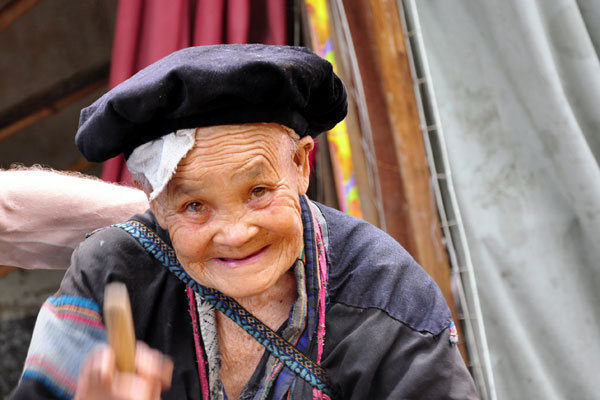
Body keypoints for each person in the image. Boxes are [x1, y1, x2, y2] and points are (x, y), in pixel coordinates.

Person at [9, 44, 478, 399]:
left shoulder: (384, 292)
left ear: (300, 164)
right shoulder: (111, 271)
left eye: (258, 192)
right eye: (195, 206)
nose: (235, 234)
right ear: (155, 200)